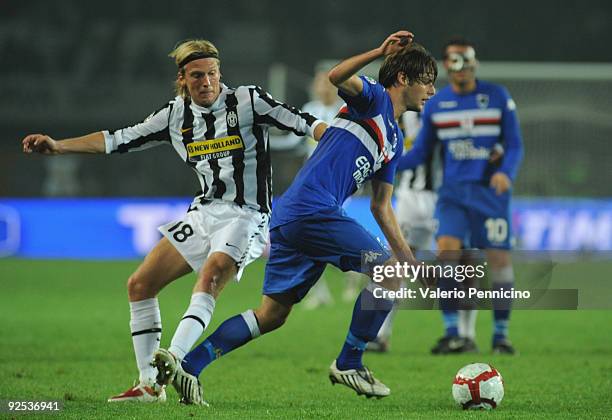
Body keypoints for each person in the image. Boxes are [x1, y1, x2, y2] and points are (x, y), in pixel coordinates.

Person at [22, 38, 327, 403]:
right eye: (197, 76)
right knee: (139, 284)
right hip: (203, 213)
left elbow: (305, 123)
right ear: (183, 78)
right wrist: (58, 145)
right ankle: (149, 385)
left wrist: (342, 140)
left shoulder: (247, 100)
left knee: (212, 274)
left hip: (247, 214)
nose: (207, 82)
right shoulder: (173, 116)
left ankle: (176, 357)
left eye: (212, 74)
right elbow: (117, 140)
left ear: (220, 74)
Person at [152, 30, 437, 403]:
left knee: (271, 314)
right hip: (311, 210)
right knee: (386, 274)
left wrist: (410, 260)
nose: (431, 91)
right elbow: (336, 77)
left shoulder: (395, 141)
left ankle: (191, 366)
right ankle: (350, 362)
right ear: (403, 79)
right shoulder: (374, 99)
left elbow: (381, 207)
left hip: (293, 216)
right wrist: (380, 52)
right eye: (427, 82)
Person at [398, 36, 523, 354]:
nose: (461, 68)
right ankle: (454, 333)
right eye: (454, 62)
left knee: (498, 259)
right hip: (452, 195)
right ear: (446, 67)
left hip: (489, 195)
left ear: (475, 64)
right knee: (449, 256)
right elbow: (422, 151)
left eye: (466, 61)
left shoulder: (497, 97)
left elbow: (515, 144)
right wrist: (387, 160)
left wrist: (504, 172)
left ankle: (501, 335)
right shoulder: (437, 105)